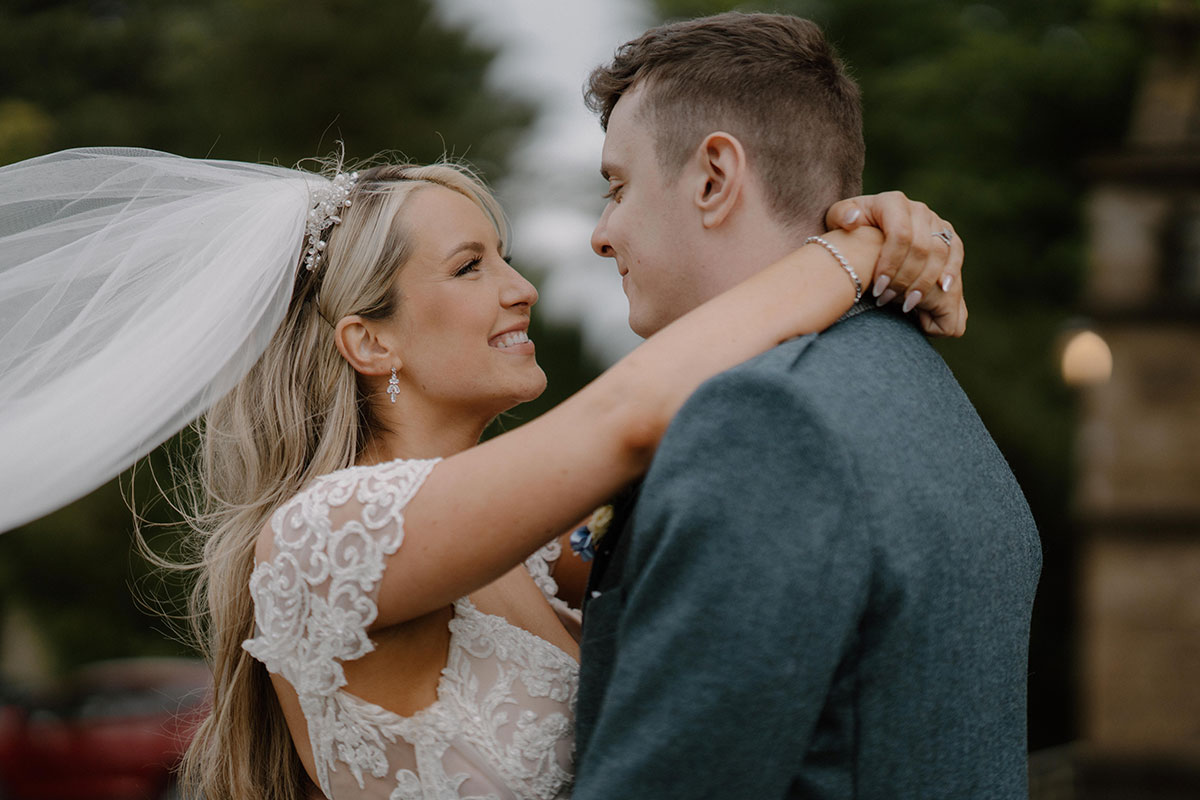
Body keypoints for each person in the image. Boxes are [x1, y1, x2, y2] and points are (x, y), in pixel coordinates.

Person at [0, 145, 959, 798]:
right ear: (368, 342)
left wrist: (883, 231)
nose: (522, 286)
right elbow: (636, 415)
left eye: (503, 255)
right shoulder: (328, 531)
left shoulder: (536, 548)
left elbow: (711, 458)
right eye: (470, 266)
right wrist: (857, 249)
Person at [570, 12, 1042, 800]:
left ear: (715, 177)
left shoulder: (765, 422)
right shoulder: (915, 379)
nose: (600, 233)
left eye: (617, 187)